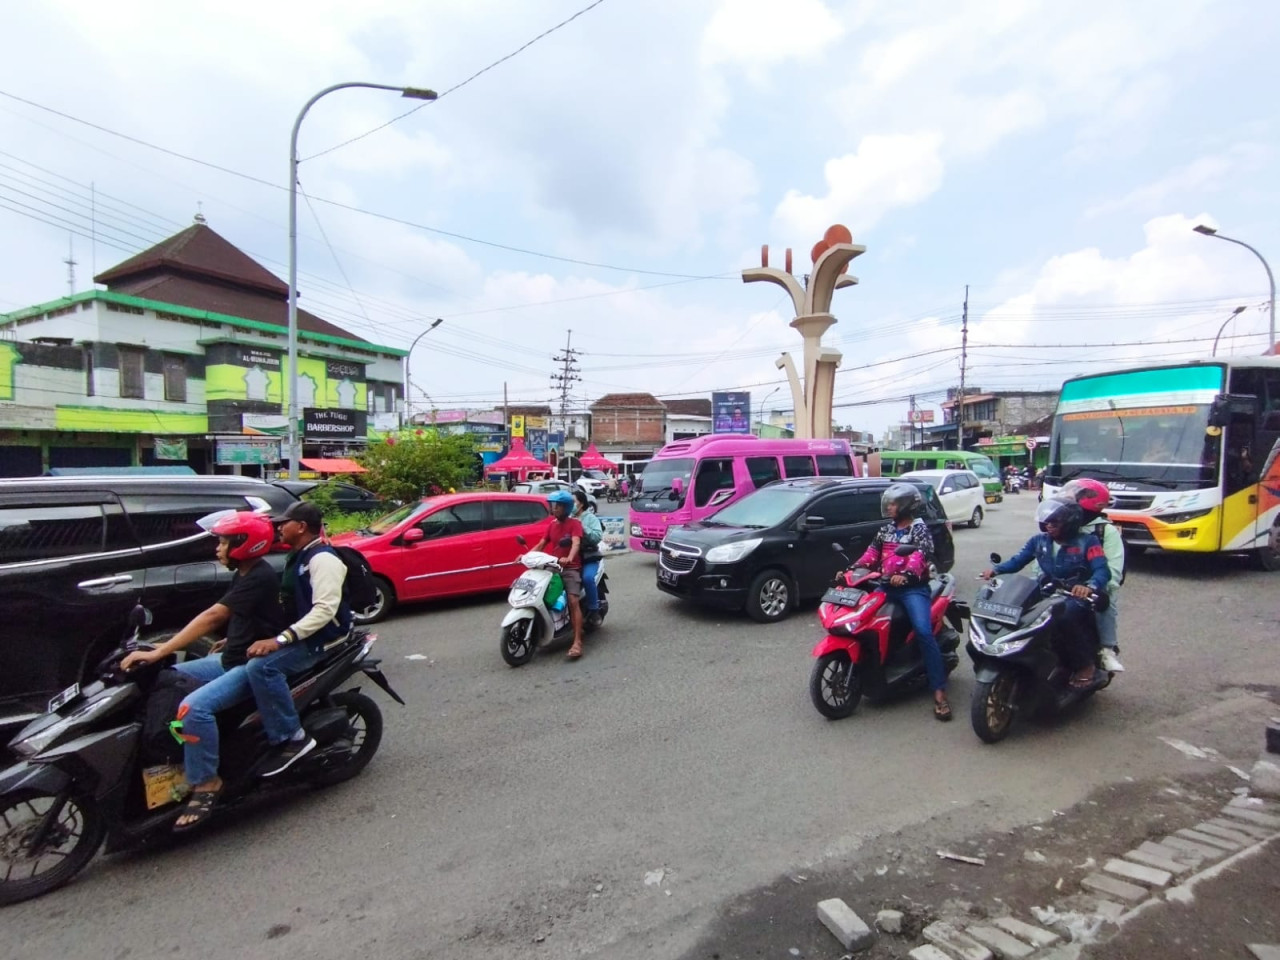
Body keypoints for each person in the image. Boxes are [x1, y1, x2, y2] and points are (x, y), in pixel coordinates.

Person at [121, 511, 287, 831]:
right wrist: (231, 639)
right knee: (170, 677)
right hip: (231, 657)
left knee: (193, 708)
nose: (218, 549)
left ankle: (207, 782)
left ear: (244, 545)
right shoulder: (245, 572)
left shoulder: (257, 576)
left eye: (225, 542)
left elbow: (212, 616)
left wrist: (159, 650)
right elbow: (249, 616)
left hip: (249, 666)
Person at [245, 500, 352, 777]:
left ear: (301, 527)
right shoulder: (298, 555)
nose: (279, 527)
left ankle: (291, 737)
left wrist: (281, 640)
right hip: (302, 633)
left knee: (264, 667)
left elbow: (325, 611)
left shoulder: (322, 559)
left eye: (285, 523)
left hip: (325, 638)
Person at [846, 482, 951, 721]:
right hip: (884, 585)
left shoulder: (919, 529)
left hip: (913, 589)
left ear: (905, 506)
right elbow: (872, 554)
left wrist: (905, 576)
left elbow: (920, 555)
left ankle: (939, 692)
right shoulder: (886, 530)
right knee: (861, 620)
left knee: (924, 632)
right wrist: (853, 569)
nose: (889, 507)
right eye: (889, 503)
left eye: (893, 504)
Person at [981, 498, 1110, 689]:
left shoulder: (1088, 542)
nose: (1049, 526)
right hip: (1047, 590)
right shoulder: (1038, 541)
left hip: (1075, 596)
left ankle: (1085, 666)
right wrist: (996, 570)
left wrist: (1089, 586)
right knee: (1018, 608)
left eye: (1055, 522)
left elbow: (1102, 570)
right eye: (1047, 522)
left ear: (1070, 523)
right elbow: (1018, 561)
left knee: (1064, 617)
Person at [1061, 478, 1125, 672]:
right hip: (1062, 583)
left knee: (1106, 602)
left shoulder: (1106, 531)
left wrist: (1093, 587)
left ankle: (1106, 650)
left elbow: (1113, 571)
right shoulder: (1062, 526)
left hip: (1091, 585)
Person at [527, 490, 585, 659]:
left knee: (573, 601)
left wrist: (569, 558)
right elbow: (542, 543)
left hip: (570, 567)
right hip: (553, 566)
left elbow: (575, 543)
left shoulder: (575, 524)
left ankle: (577, 642)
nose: (554, 509)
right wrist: (527, 556)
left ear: (566, 507)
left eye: (558, 506)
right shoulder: (552, 525)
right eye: (553, 506)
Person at [572, 489, 605, 626]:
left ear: (581, 504)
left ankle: (594, 610)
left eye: (573, 502)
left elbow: (597, 537)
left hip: (588, 557)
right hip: (571, 558)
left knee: (587, 578)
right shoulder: (567, 518)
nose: (571, 505)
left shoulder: (590, 518)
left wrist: (582, 526)